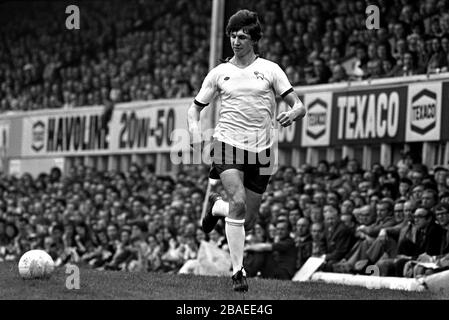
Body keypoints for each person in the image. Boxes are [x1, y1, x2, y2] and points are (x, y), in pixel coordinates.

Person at [187, 9, 306, 292]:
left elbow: (299, 105)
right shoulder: (220, 73)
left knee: (247, 220)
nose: (236, 41)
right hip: (227, 145)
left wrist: (293, 113)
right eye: (232, 35)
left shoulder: (270, 69)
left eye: (242, 36)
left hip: (262, 150)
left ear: (253, 39)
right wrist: (194, 131)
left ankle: (216, 206)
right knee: (238, 202)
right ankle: (238, 271)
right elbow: (195, 108)